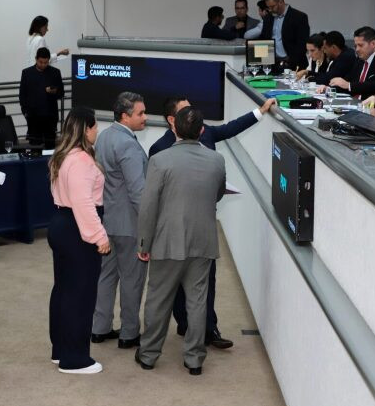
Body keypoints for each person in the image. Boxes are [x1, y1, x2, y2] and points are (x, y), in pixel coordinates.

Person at [149, 95, 275, 348]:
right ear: (172, 119)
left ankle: (209, 330)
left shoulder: (204, 133)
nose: (193, 114)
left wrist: (260, 111)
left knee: (207, 281)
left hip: (203, 226)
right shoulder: (159, 150)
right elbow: (153, 196)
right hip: (173, 229)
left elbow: (230, 129)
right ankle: (185, 324)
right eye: (186, 110)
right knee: (176, 284)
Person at [135, 106, 226, 376]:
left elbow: (148, 207)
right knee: (197, 301)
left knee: (158, 300)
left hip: (167, 242)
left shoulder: (159, 160)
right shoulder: (216, 160)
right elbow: (218, 193)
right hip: (203, 242)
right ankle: (194, 359)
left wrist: (144, 244)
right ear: (202, 130)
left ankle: (149, 355)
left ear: (174, 127)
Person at [47, 106, 111, 374]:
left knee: (64, 290)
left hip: (62, 224)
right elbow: (83, 203)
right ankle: (74, 359)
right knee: (80, 295)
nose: (97, 131)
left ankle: (61, 350)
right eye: (95, 126)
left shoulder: (63, 156)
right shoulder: (82, 160)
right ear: (86, 129)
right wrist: (99, 236)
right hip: (77, 230)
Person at [91, 92, 149, 349]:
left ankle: (99, 328)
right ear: (125, 116)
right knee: (131, 280)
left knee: (106, 276)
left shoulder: (104, 136)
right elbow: (138, 192)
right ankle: (129, 333)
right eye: (140, 113)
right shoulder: (128, 145)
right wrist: (148, 225)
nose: (145, 117)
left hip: (107, 222)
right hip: (130, 225)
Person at [325, 26, 375, 99]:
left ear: (373, 44)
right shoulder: (359, 60)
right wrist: (329, 88)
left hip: (370, 104)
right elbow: (347, 80)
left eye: (360, 45)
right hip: (352, 102)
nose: (357, 49)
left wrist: (349, 85)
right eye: (356, 46)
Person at [19, 47, 64, 148]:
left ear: (49, 60)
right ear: (36, 59)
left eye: (46, 62)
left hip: (50, 117)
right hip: (33, 117)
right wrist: (25, 112)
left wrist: (54, 91)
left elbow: (61, 93)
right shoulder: (27, 73)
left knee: (50, 147)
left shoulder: (55, 72)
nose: (43, 65)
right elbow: (22, 94)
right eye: (40, 62)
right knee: (34, 147)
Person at [258, 0, 310, 70]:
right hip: (273, 65)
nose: (270, 10)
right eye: (268, 7)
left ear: (280, 2)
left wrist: (291, 61)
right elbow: (264, 39)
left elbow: (302, 44)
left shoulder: (299, 17)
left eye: (272, 7)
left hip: (294, 64)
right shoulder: (268, 18)